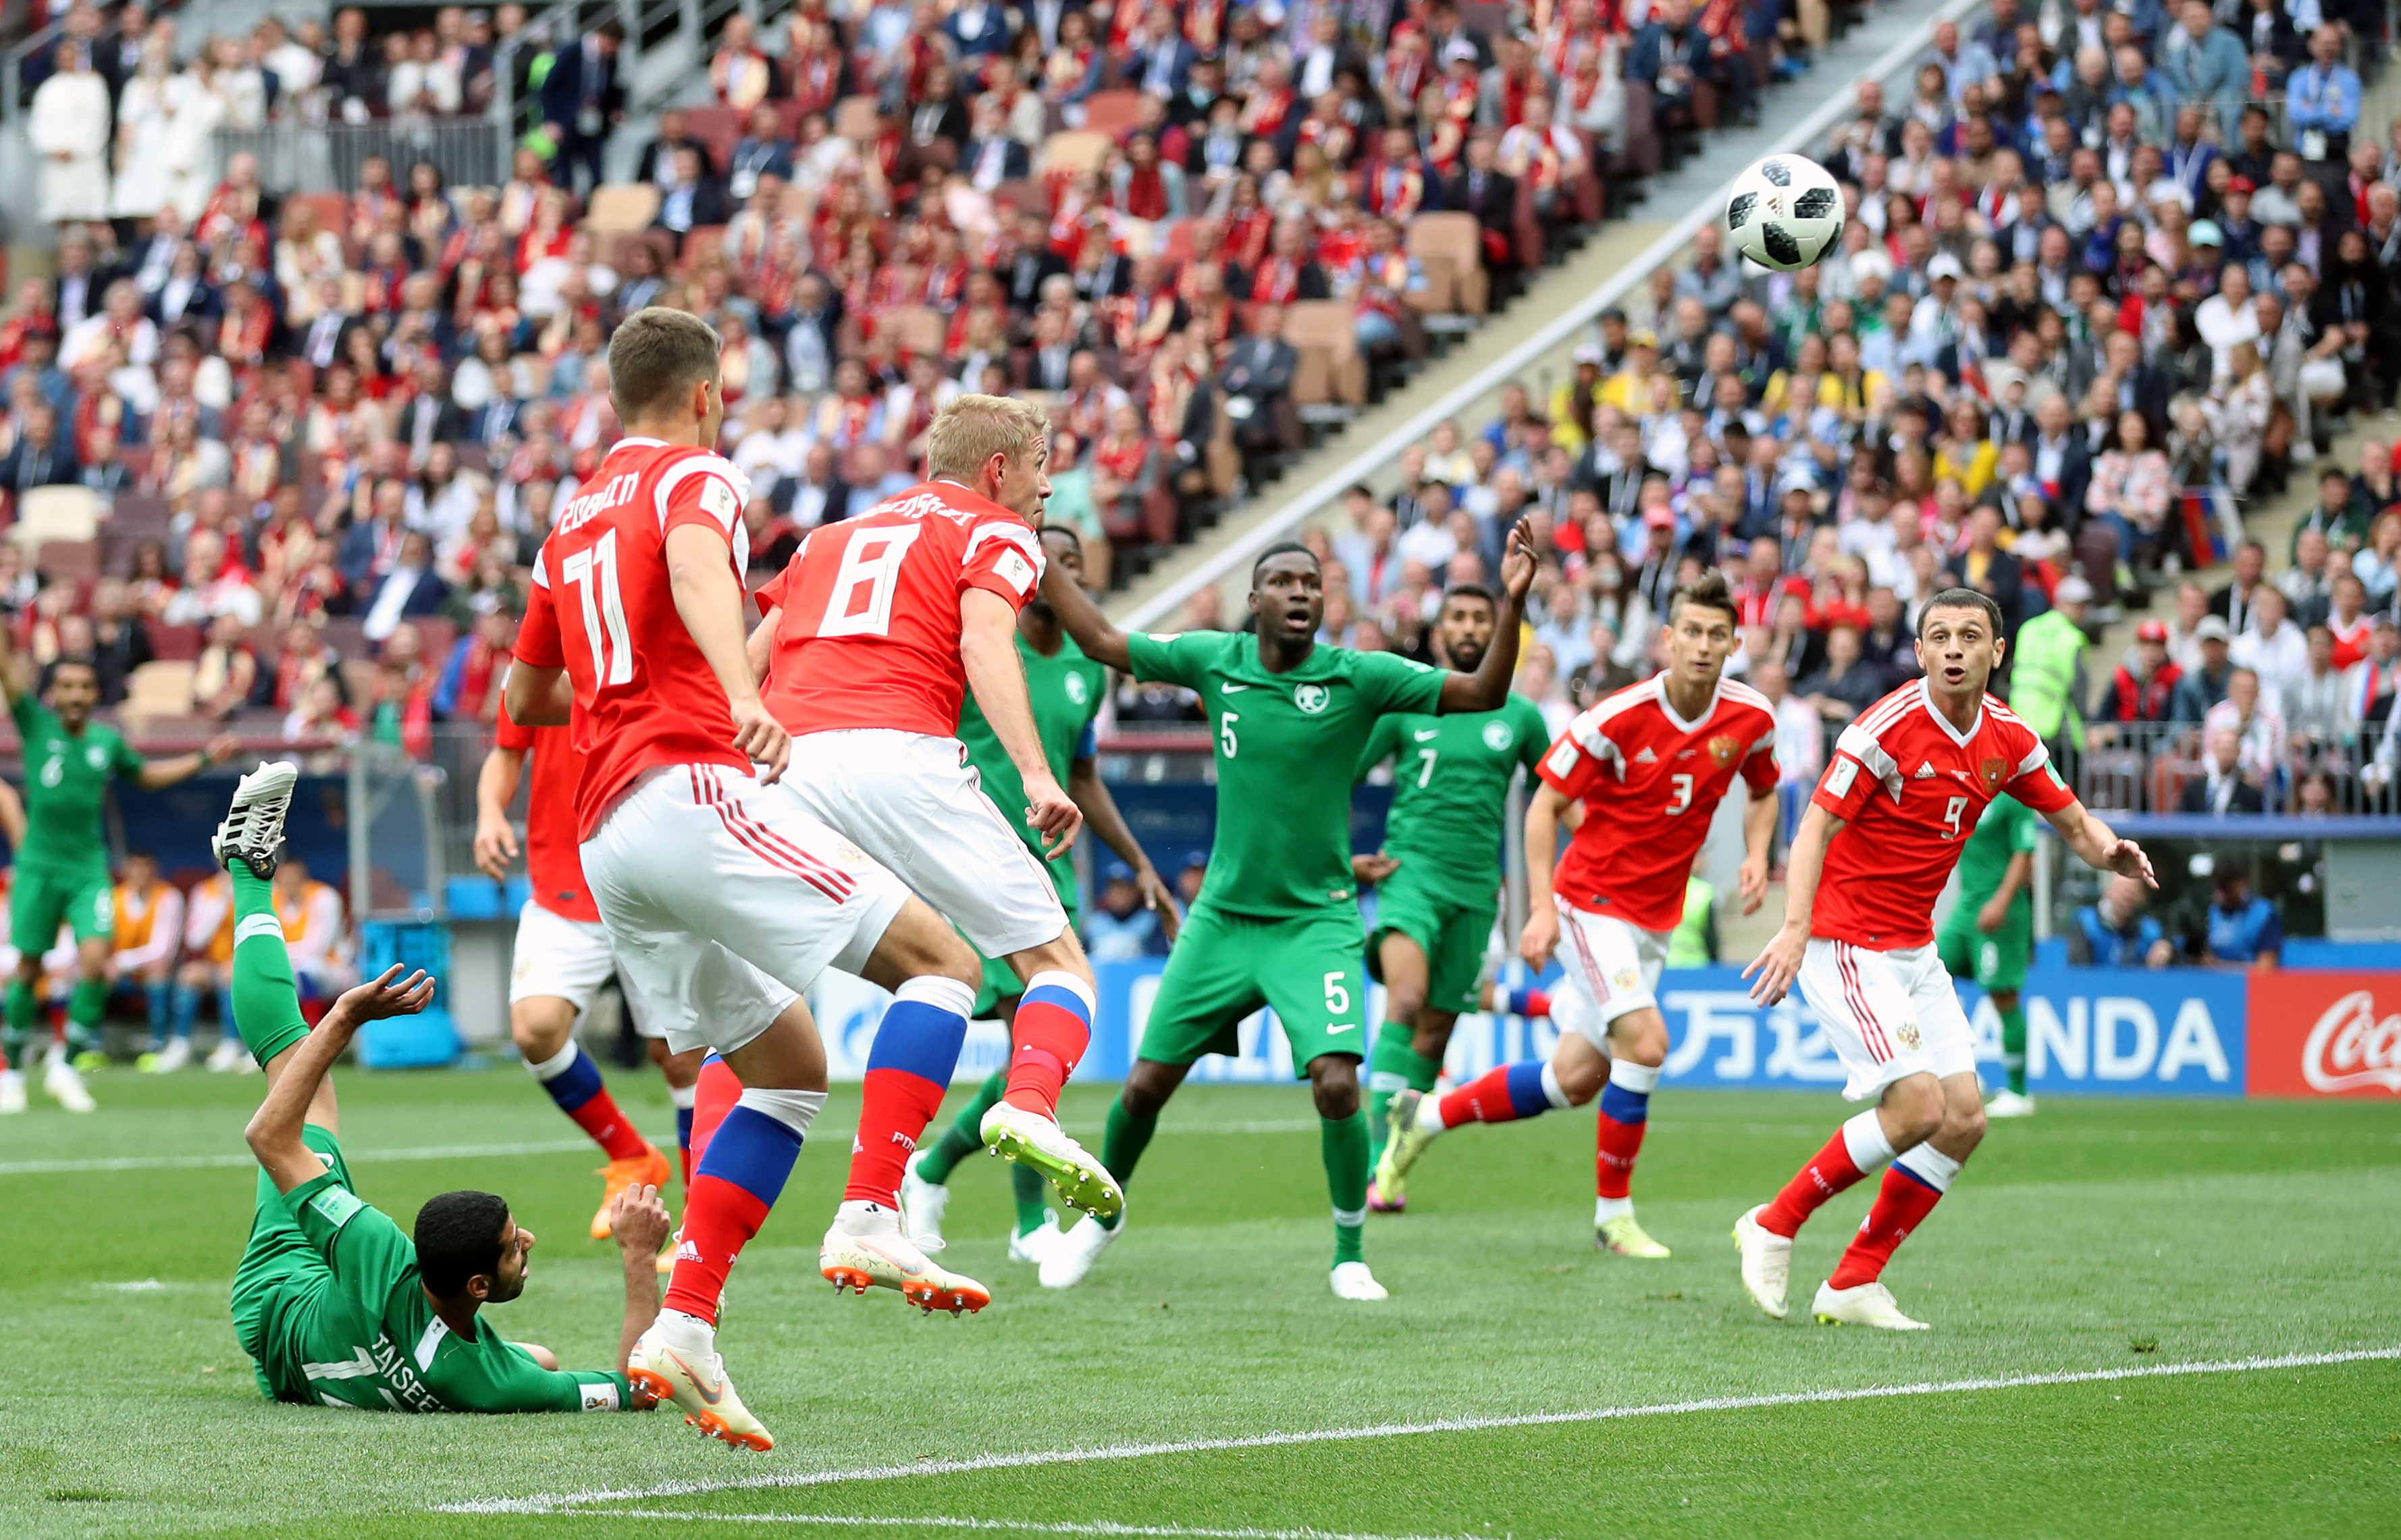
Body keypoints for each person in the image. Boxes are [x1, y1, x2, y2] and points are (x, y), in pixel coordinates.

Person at [504, 307, 995, 1451]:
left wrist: (614, 674)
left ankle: (687, 1320)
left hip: (607, 840)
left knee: (786, 1066)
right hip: (685, 786)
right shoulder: (698, 475)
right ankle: (874, 1206)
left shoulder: (566, 524)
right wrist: (738, 689)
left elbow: (529, 700)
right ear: (707, 394)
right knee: (944, 963)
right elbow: (689, 565)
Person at [1033, 528, 1538, 1299]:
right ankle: (1101, 1221)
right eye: (1284, 582)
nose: (1301, 594)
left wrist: (1512, 599)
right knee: (1141, 1088)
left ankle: (1348, 1252)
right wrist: (1033, 557)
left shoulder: (1358, 676)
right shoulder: (1214, 660)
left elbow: (1481, 694)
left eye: (1312, 584)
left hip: (1316, 923)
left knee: (1337, 1082)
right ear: (1255, 599)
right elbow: (1101, 637)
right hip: (1224, 919)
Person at [746, 394, 1128, 1266]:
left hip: (782, 768)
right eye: (1039, 467)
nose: (1048, 488)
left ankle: (865, 1214)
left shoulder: (828, 538)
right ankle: (1028, 1103)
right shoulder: (996, 531)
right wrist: (1038, 776)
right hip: (897, 754)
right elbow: (985, 643)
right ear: (999, 469)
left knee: (921, 976)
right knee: (1059, 966)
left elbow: (751, 658)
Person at [1736, 588, 2155, 1331]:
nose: (1954, 648)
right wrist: (1795, 927)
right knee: (1917, 1106)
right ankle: (1774, 1221)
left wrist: (2108, 851)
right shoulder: (1883, 729)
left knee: (1962, 1119)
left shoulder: (2009, 737)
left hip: (1911, 949)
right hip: (1845, 943)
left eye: (1970, 635)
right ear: (1920, 651)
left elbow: (2072, 820)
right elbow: (1812, 832)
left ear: (1997, 652)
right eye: (1939, 636)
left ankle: (1853, 1279)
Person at [217, 762, 672, 1416]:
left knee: (298, 1079)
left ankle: (246, 871)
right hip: (299, 1362)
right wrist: (637, 1255)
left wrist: (343, 1018)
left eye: (516, 1240)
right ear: (477, 1285)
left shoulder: (379, 1254)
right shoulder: (488, 1382)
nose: (530, 1242)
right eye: (516, 1243)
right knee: (539, 1359)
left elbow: (269, 1137)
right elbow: (638, 1391)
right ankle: (245, 866)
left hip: (282, 1299)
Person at [1376, 573, 1779, 1259]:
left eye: (1718, 634)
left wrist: (1757, 852)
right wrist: (1541, 909)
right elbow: (1543, 806)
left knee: (1572, 1079)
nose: (1704, 646)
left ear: (1735, 642)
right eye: (1692, 632)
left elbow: (1764, 786)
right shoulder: (1614, 717)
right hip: (1590, 901)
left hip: (1653, 916)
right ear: (1667, 639)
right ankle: (1612, 1216)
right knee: (1646, 1043)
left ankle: (1425, 1116)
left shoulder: (1751, 717)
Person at [899, 524, 1183, 1267]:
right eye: (1052, 561)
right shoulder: (985, 647)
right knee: (1028, 1028)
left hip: (1053, 866)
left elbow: (1082, 776)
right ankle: (1011, 1217)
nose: (1063, 575)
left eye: (1075, 565)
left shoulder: (1088, 674)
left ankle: (933, 1171)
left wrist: (1139, 862)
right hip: (977, 858)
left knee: (1039, 1036)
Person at [1344, 583, 1550, 1208]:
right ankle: (1375, 1163)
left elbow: (1558, 795)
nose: (1467, 628)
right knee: (1404, 1001)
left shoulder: (1520, 716)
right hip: (1410, 876)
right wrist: (1339, 857)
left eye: (1479, 618)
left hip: (1475, 892)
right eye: (1457, 618)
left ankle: (1394, 1166)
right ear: (1438, 634)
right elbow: (1334, 776)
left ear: (1498, 633)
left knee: (1434, 1035)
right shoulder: (1408, 708)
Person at [473, 697, 695, 1250]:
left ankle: (700, 1230)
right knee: (535, 1028)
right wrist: (488, 812)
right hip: (563, 880)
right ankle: (629, 1153)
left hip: (656, 878)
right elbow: (507, 748)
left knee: (681, 1055)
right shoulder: (541, 647)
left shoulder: (657, 630)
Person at [0, 647, 234, 1115]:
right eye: (67, 686)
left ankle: (66, 1067)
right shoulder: (34, 722)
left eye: (84, 687)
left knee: (95, 960)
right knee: (28, 969)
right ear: (53, 693)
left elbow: (145, 776)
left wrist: (203, 757)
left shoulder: (106, 741)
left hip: (88, 867)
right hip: (38, 868)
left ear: (95, 693)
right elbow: (8, 670)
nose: (75, 695)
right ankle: (11, 1072)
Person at [1934, 795, 2039, 1119]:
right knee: (1929, 975)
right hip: (1967, 906)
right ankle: (1963, 1075)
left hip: (2000, 909)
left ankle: (2019, 1092)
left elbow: (2025, 853)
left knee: (2003, 995)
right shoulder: (1970, 789)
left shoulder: (2016, 797)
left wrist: (2001, 902)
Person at [111, 851, 186, 1071]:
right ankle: (90, 1046)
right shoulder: (113, 897)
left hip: (155, 969)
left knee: (158, 973)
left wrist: (121, 962)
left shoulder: (169, 897)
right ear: (126, 870)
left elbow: (162, 951)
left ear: (155, 870)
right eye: (135, 866)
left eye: (146, 867)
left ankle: (159, 1043)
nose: (140, 873)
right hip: (119, 972)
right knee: (91, 973)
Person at [2069, 874, 2173, 968]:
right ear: (2107, 891)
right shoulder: (2085, 922)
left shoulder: (2147, 928)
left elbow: (2171, 945)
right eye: (2122, 889)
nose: (2127, 896)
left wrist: (2165, 946)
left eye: (2132, 891)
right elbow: (2080, 968)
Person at [2202, 866, 2281, 968]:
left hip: (2252, 982)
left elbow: (2267, 967)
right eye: (2223, 889)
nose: (2228, 895)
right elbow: (2204, 959)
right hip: (2215, 981)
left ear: (2244, 883)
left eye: (2231, 888)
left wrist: (2219, 966)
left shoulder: (2264, 914)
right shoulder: (2213, 913)